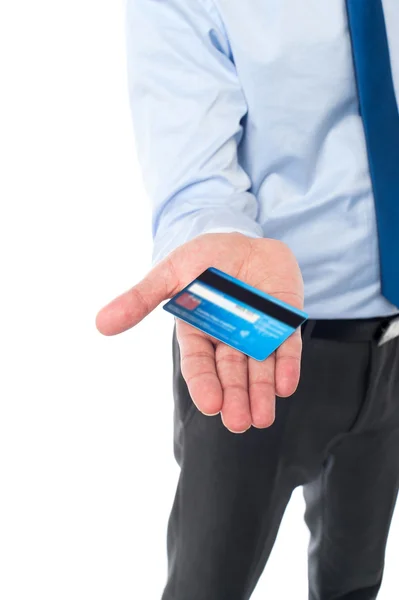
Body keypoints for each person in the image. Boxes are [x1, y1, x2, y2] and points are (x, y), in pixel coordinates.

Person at [96, 1, 399, 598]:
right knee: (209, 585)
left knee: (355, 582)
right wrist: (215, 246)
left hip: (392, 338)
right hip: (251, 329)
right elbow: (196, 184)